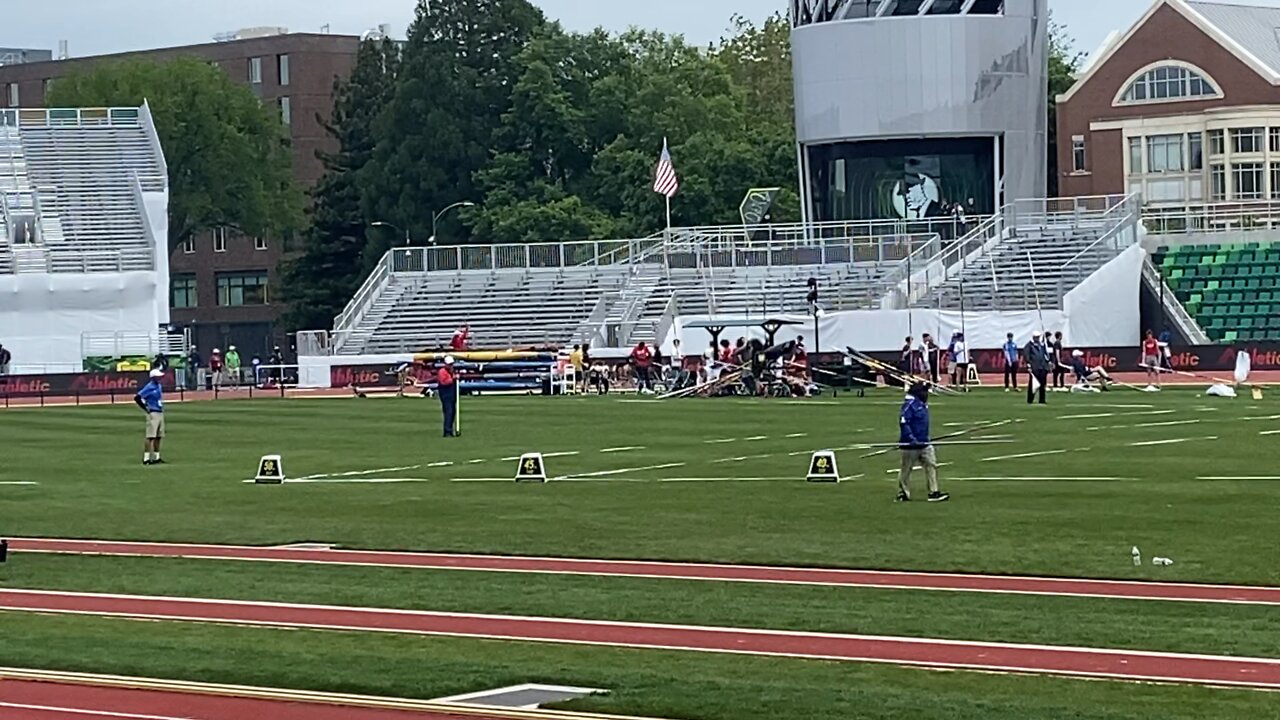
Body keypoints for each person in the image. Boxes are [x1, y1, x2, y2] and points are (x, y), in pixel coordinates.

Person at [896, 382, 949, 503]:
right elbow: (904, 422)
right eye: (924, 391)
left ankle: (933, 492)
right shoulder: (909, 405)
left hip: (925, 442)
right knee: (906, 469)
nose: (927, 394)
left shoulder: (922, 404)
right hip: (910, 445)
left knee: (931, 465)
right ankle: (903, 493)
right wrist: (911, 438)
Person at [134, 369, 166, 465]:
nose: (160, 378)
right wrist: (146, 408)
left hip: (159, 412)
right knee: (150, 436)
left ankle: (157, 457)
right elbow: (137, 397)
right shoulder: (149, 387)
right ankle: (146, 458)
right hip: (153, 412)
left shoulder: (159, 386)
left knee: (158, 436)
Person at [1025, 331, 1050, 405]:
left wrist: (1047, 362)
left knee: (1043, 384)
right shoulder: (1029, 345)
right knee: (1033, 385)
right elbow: (1027, 356)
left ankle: (1042, 399)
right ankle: (1030, 400)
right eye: (1036, 337)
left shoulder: (1042, 345)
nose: (1037, 338)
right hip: (1034, 367)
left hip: (1042, 367)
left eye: (1038, 337)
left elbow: (1045, 355)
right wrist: (1029, 365)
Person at [438, 355, 458, 437]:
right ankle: (447, 431)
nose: (451, 366)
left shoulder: (452, 371)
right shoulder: (442, 371)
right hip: (445, 393)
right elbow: (444, 382)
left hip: (452, 393)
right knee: (448, 412)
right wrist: (453, 378)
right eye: (449, 364)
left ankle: (450, 430)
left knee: (452, 412)